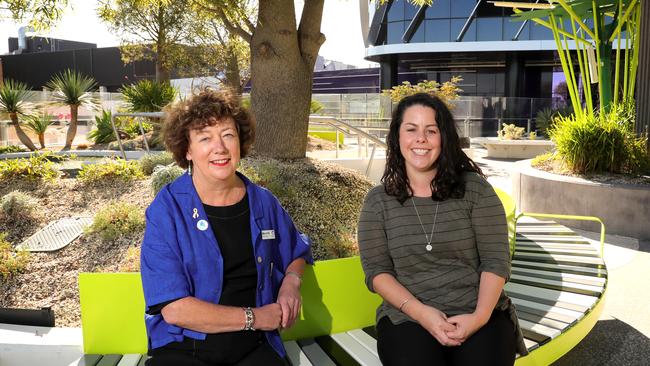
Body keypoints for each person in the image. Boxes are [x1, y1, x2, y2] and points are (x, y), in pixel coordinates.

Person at [140, 89, 313, 366]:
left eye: (227, 135)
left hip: (254, 345)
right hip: (186, 348)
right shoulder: (167, 210)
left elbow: (295, 250)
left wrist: (292, 283)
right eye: (205, 137)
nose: (219, 147)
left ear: (240, 142)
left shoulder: (263, 202)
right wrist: (255, 317)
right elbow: (174, 309)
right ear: (187, 149)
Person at [358, 93, 526, 366]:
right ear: (397, 137)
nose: (420, 139)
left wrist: (479, 317)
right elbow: (378, 273)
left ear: (444, 138)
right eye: (411, 129)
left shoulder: (475, 189)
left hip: (480, 311)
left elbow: (495, 261)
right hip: (408, 316)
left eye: (431, 130)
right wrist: (424, 314)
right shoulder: (378, 202)